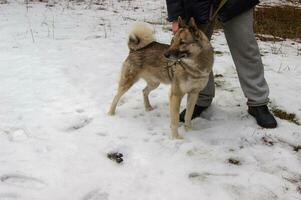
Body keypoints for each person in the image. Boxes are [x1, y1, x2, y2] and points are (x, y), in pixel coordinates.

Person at [166, 0, 277, 128]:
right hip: (195, 4)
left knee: (246, 49)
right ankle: (201, 99)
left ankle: (258, 102)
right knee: (196, 54)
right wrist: (175, 15)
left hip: (235, 4)